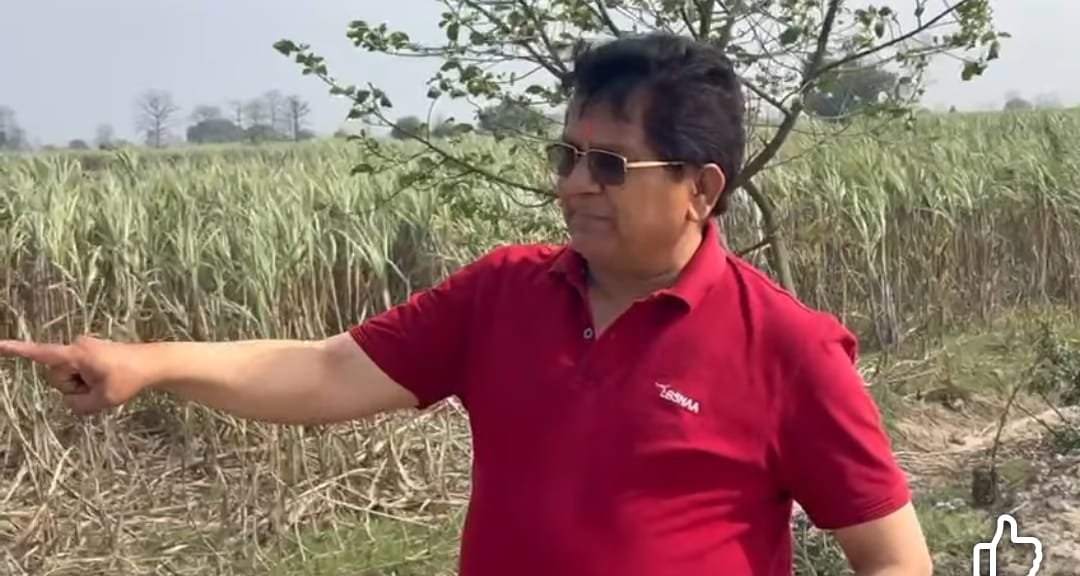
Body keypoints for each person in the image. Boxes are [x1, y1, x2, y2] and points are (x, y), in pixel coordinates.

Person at [0, 32, 931, 576]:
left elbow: (893, 555)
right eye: (567, 156)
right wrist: (150, 363)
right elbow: (326, 370)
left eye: (610, 165)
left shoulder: (788, 347)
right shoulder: (504, 294)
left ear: (702, 187)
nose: (574, 185)